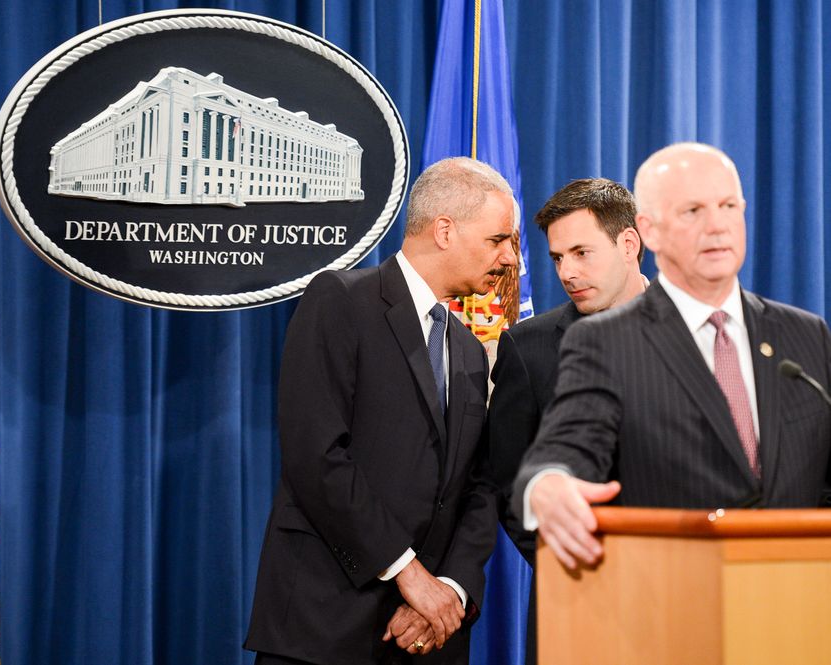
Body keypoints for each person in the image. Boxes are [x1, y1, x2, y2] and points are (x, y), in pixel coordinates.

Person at [245, 157, 516, 664]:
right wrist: (409, 575)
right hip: (324, 627)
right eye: (498, 239)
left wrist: (450, 589)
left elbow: (480, 486)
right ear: (444, 230)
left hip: (427, 635)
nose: (508, 258)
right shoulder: (342, 302)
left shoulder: (471, 351)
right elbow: (317, 456)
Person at [514, 142, 831, 571]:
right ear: (650, 232)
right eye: (693, 211)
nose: (717, 225)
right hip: (666, 601)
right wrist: (547, 486)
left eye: (728, 206)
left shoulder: (804, 335)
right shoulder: (603, 342)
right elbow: (565, 447)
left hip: (792, 603)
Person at [487, 178, 646, 664]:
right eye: (558, 258)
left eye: (581, 252)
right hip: (577, 602)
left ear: (629, 244)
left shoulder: (702, 334)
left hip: (693, 595)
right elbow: (508, 484)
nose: (568, 272)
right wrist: (574, 564)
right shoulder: (528, 347)